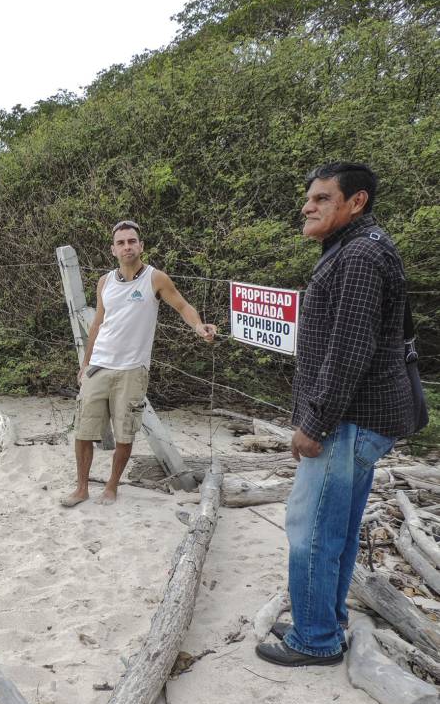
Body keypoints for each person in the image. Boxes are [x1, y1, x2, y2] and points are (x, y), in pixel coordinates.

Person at [255, 162, 414, 668]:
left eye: (322, 198)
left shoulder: (361, 254)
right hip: (357, 420)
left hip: (345, 423)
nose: (308, 206)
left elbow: (349, 349)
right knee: (337, 529)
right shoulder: (355, 247)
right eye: (309, 198)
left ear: (356, 201)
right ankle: (324, 619)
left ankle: (315, 639)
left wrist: (315, 423)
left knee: (311, 531)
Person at [61, 220, 217, 507]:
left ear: (141, 246)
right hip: (99, 366)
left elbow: (182, 305)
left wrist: (198, 326)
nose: (127, 247)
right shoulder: (105, 281)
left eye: (132, 241)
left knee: (125, 433)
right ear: (113, 250)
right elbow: (97, 324)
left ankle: (111, 486)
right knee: (83, 431)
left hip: (133, 370)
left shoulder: (155, 279)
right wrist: (85, 364)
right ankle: (81, 488)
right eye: (121, 243)